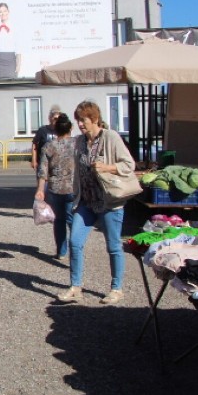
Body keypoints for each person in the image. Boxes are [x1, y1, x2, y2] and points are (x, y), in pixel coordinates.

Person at [57, 101, 136, 305]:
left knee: (113, 246)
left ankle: (116, 289)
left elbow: (129, 164)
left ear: (94, 119)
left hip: (109, 201)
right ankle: (76, 287)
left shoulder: (111, 137)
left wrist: (107, 167)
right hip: (86, 201)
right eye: (78, 121)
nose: (80, 124)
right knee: (75, 241)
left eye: (83, 120)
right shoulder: (79, 142)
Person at [35, 113, 76, 259]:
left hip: (55, 188)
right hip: (73, 188)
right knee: (72, 220)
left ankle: (61, 251)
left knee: (59, 220)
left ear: (55, 130)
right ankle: (75, 250)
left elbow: (42, 170)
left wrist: (40, 190)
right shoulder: (77, 144)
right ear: (71, 128)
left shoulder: (49, 146)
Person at [31, 106, 62, 176]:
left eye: (58, 119)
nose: (56, 120)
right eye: (55, 118)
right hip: (43, 162)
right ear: (50, 118)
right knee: (43, 184)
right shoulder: (43, 130)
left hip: (57, 163)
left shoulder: (61, 131)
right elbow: (34, 144)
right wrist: (34, 160)